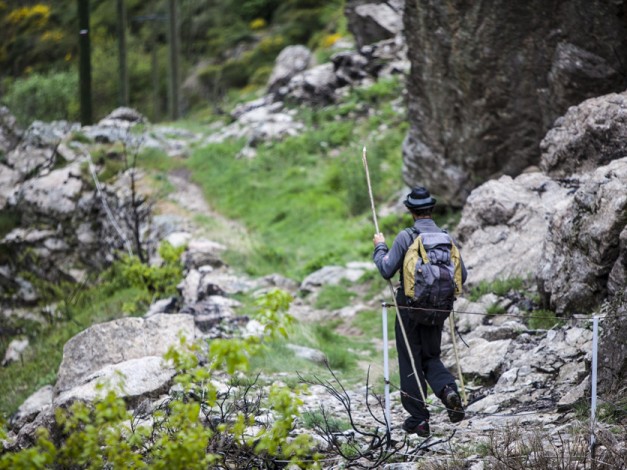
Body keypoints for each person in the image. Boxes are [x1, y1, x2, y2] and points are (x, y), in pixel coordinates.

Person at [372, 186, 467, 437]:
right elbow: (462, 275)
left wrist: (380, 247)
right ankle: (448, 391)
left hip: (409, 308)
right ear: (431, 209)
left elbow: (386, 269)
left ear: (411, 211)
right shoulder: (446, 237)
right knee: (431, 356)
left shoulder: (407, 236)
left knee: (411, 360)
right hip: (438, 309)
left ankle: (419, 419)